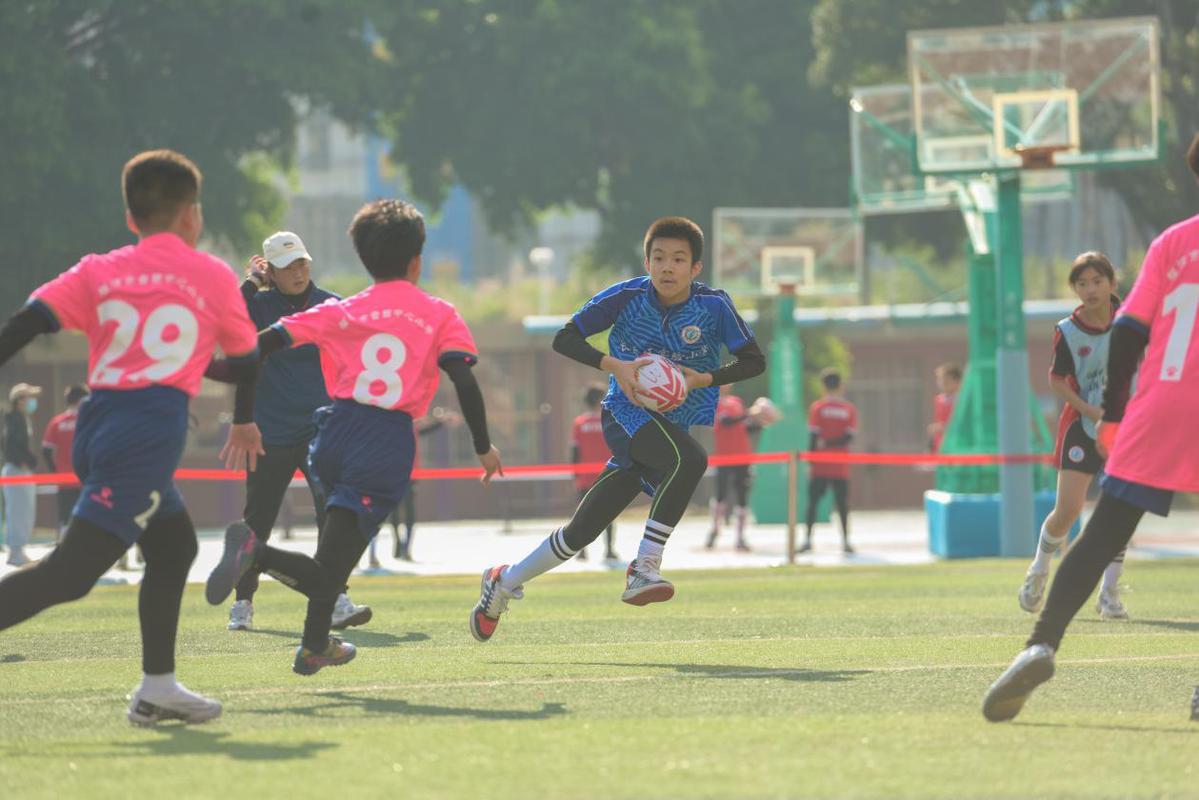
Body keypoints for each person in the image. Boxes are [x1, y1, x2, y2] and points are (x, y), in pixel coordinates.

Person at [0, 149, 260, 724]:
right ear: (192, 215)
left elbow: (26, 322)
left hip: (98, 425)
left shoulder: (100, 268)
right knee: (70, 574)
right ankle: (156, 687)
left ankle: (158, 687)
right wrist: (230, 395)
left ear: (130, 217)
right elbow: (246, 360)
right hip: (147, 431)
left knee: (174, 547)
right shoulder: (213, 274)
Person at [206, 198, 502, 675]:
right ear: (416, 261)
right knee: (333, 564)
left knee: (333, 553)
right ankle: (254, 554)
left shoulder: (344, 309)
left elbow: (257, 346)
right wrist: (482, 446)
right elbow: (463, 380)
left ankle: (313, 643)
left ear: (364, 259)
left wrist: (207, 369)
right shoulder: (437, 312)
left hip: (333, 430)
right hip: (382, 440)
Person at [982, 133, 1199, 723]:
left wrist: (1121, 415)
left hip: (1157, 407)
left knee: (1102, 532)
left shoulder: (1173, 243)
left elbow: (1128, 333)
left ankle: (1041, 643)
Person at [470, 216, 765, 642]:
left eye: (679, 259)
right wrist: (616, 367)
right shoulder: (627, 297)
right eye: (658, 257)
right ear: (646, 261)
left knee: (581, 532)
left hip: (669, 426)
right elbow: (565, 338)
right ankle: (643, 567)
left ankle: (502, 581)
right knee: (691, 460)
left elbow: (754, 361)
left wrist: (699, 379)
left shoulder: (715, 306)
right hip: (624, 415)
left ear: (696, 267)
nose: (667, 267)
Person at [222, 232, 370, 633]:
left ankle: (336, 596)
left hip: (322, 430)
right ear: (270, 270)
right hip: (269, 432)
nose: (299, 272)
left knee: (333, 514)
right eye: (288, 267)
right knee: (257, 521)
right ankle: (243, 603)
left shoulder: (331, 304)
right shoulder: (258, 305)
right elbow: (226, 321)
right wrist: (251, 283)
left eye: (303, 262)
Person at [1018, 252, 1128, 620]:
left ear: (1112, 284)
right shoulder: (1067, 330)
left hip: (1126, 430)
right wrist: (1094, 412)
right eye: (1082, 283)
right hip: (1082, 428)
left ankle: (1109, 592)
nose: (1090, 289)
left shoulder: (1132, 321)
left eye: (1098, 281)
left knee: (1120, 511)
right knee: (1067, 512)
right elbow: (1055, 382)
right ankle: (1038, 573)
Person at [371, 409, 459, 566]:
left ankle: (406, 548)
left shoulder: (413, 430)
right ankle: (398, 543)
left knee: (409, 512)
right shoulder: (392, 430)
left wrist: (442, 421)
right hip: (394, 475)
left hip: (411, 476)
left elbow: (429, 427)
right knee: (395, 511)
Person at [705, 387, 777, 551]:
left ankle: (740, 537)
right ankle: (715, 530)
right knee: (721, 495)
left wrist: (762, 422)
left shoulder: (736, 401)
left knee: (742, 496)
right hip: (724, 456)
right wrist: (750, 412)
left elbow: (743, 428)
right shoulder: (713, 404)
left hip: (742, 456)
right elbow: (726, 422)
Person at [800, 369, 857, 554]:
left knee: (813, 503)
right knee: (842, 504)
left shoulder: (818, 408)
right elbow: (848, 437)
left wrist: (811, 460)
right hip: (840, 464)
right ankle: (846, 542)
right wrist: (833, 443)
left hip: (820, 464)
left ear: (823, 386)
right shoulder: (848, 409)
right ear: (841, 386)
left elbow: (813, 437)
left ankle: (807, 540)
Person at [571, 385, 618, 562]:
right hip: (608, 474)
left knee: (583, 515)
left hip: (584, 477)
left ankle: (582, 550)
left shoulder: (579, 423)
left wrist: (574, 476)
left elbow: (575, 452)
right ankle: (609, 549)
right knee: (609, 514)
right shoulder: (608, 420)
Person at [42, 384, 89, 542]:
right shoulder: (88, 421)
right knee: (87, 517)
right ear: (82, 400)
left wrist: (56, 472)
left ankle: (63, 551)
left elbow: (46, 451)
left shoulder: (56, 422)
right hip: (86, 479)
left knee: (64, 518)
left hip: (64, 480)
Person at [3, 383, 42, 565]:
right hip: (16, 470)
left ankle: (19, 549)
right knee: (18, 512)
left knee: (26, 511)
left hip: (22, 470)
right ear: (19, 401)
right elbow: (13, 447)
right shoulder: (14, 419)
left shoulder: (22, 419)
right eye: (28, 397)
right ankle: (16, 551)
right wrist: (27, 460)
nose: (32, 401)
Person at [927, 362, 961, 453]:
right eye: (940, 380)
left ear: (957, 382)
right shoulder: (939, 400)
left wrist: (944, 428)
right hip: (941, 444)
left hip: (956, 442)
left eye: (946, 381)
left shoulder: (960, 400)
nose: (942, 384)